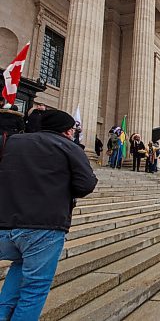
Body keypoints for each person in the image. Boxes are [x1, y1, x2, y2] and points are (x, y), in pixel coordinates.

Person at [0, 110, 97, 320]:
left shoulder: (14, 142)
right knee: (34, 289)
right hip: (44, 227)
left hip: (6, 225)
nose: (73, 133)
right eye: (72, 129)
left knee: (20, 267)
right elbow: (86, 184)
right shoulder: (70, 147)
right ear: (66, 130)